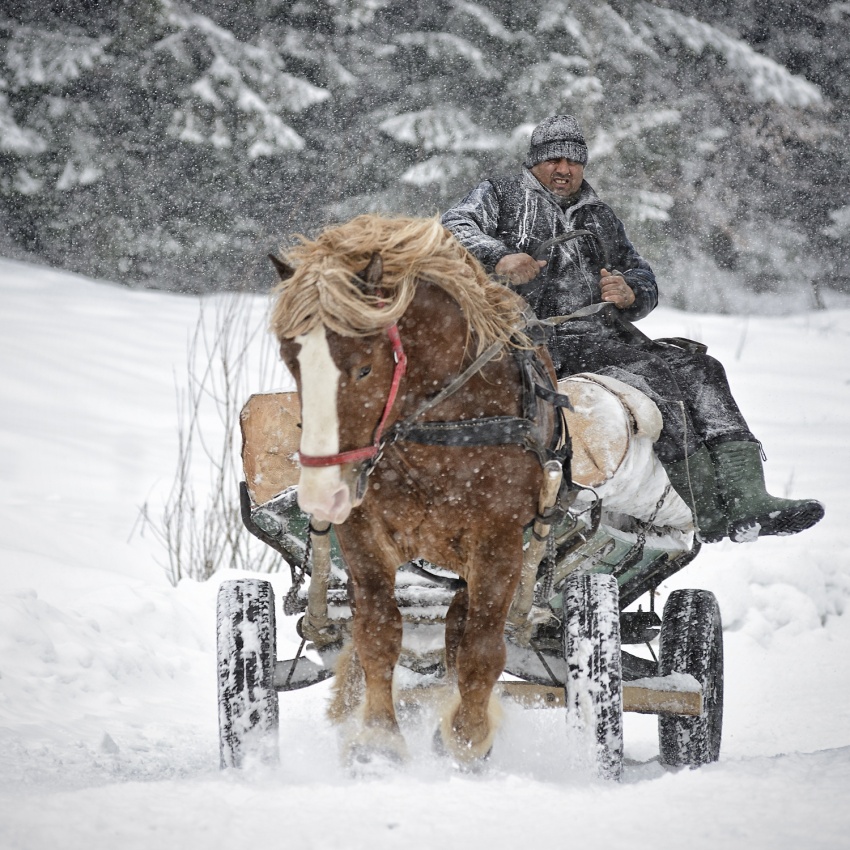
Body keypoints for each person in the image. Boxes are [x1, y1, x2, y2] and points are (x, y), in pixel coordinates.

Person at [441, 114, 823, 542]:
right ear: (533, 163)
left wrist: (630, 292)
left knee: (703, 370)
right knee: (658, 379)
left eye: (572, 160)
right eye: (552, 160)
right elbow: (452, 228)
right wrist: (499, 257)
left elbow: (641, 274)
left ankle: (749, 499)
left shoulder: (599, 215)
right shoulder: (501, 194)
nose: (563, 169)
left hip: (602, 340)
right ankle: (709, 510)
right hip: (529, 340)